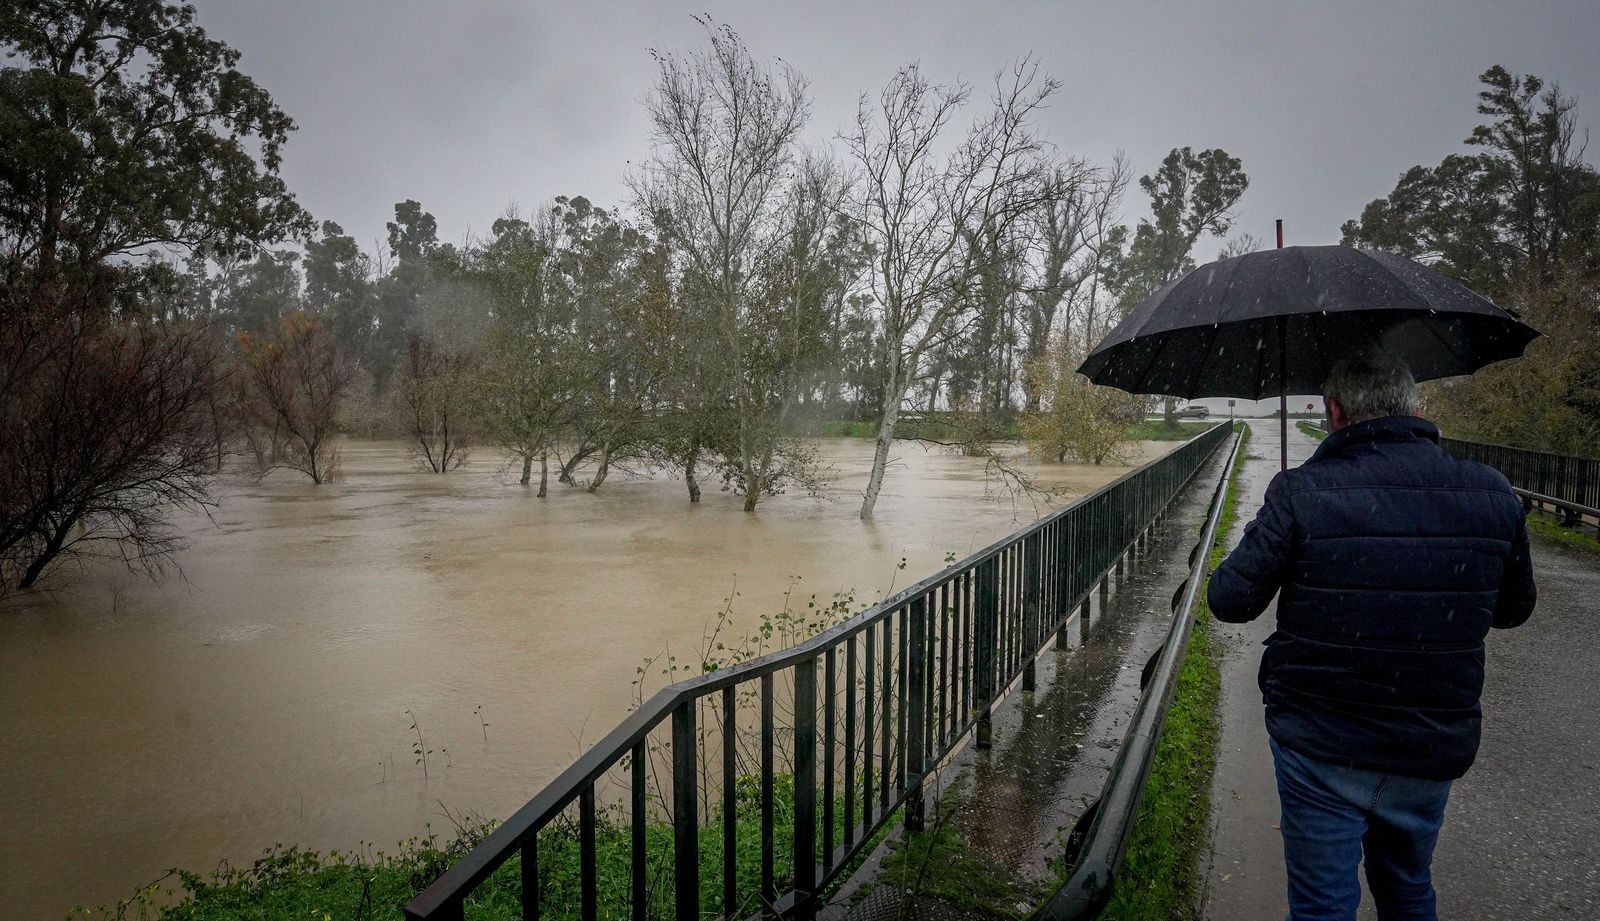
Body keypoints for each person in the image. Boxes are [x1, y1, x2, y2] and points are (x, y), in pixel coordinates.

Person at [1208, 349, 1536, 921]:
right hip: (1431, 736)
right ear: (1413, 406)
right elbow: (1512, 611)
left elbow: (1229, 601)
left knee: (1322, 907)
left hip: (1321, 739)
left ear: (1334, 412)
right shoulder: (1489, 491)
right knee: (1408, 890)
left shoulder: (1303, 491)